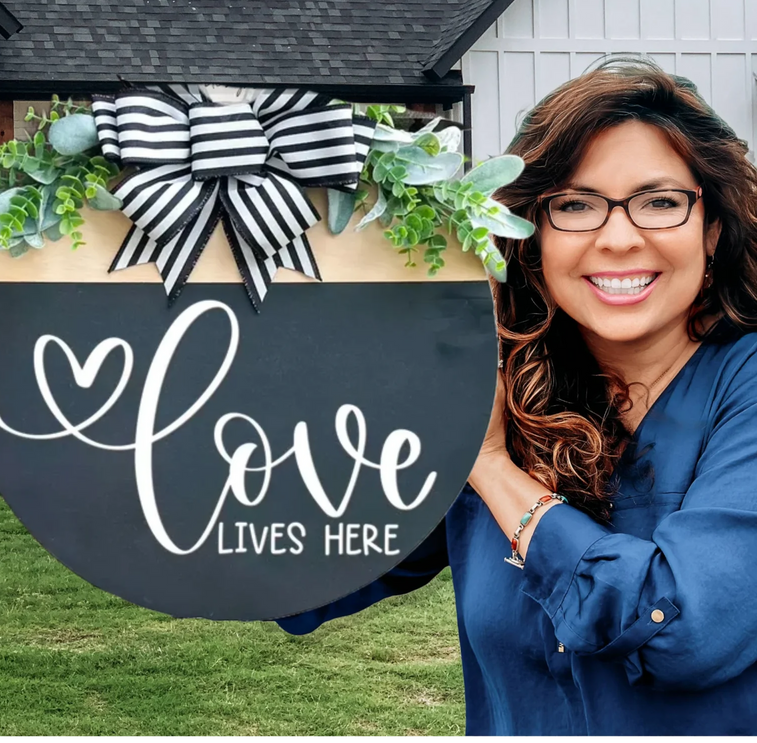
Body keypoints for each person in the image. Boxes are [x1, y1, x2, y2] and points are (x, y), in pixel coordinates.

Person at [276, 57, 757, 737]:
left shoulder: (743, 388)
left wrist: (494, 469)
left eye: (659, 201)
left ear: (711, 230)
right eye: (576, 205)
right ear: (532, 239)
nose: (619, 238)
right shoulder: (505, 385)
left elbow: (682, 630)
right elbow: (305, 564)